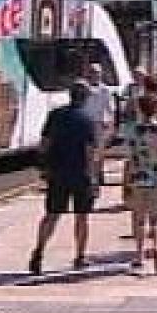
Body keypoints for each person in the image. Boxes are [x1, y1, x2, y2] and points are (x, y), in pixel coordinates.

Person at [30, 80, 100, 275]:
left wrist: (43, 166)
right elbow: (89, 152)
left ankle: (39, 251)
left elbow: (44, 144)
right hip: (80, 174)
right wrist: (93, 177)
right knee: (82, 217)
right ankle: (80, 256)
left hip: (57, 173)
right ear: (85, 98)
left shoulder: (55, 115)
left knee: (52, 215)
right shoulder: (87, 120)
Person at [122, 92, 157, 274]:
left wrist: (125, 183)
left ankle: (139, 255)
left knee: (138, 218)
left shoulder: (132, 131)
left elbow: (128, 159)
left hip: (137, 178)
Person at [77, 62, 116, 204]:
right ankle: (88, 180)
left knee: (97, 156)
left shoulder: (105, 90)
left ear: (101, 74)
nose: (95, 75)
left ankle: (96, 181)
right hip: (83, 125)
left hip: (98, 126)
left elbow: (110, 109)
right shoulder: (83, 88)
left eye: (97, 73)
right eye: (92, 72)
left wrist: (110, 124)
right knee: (85, 155)